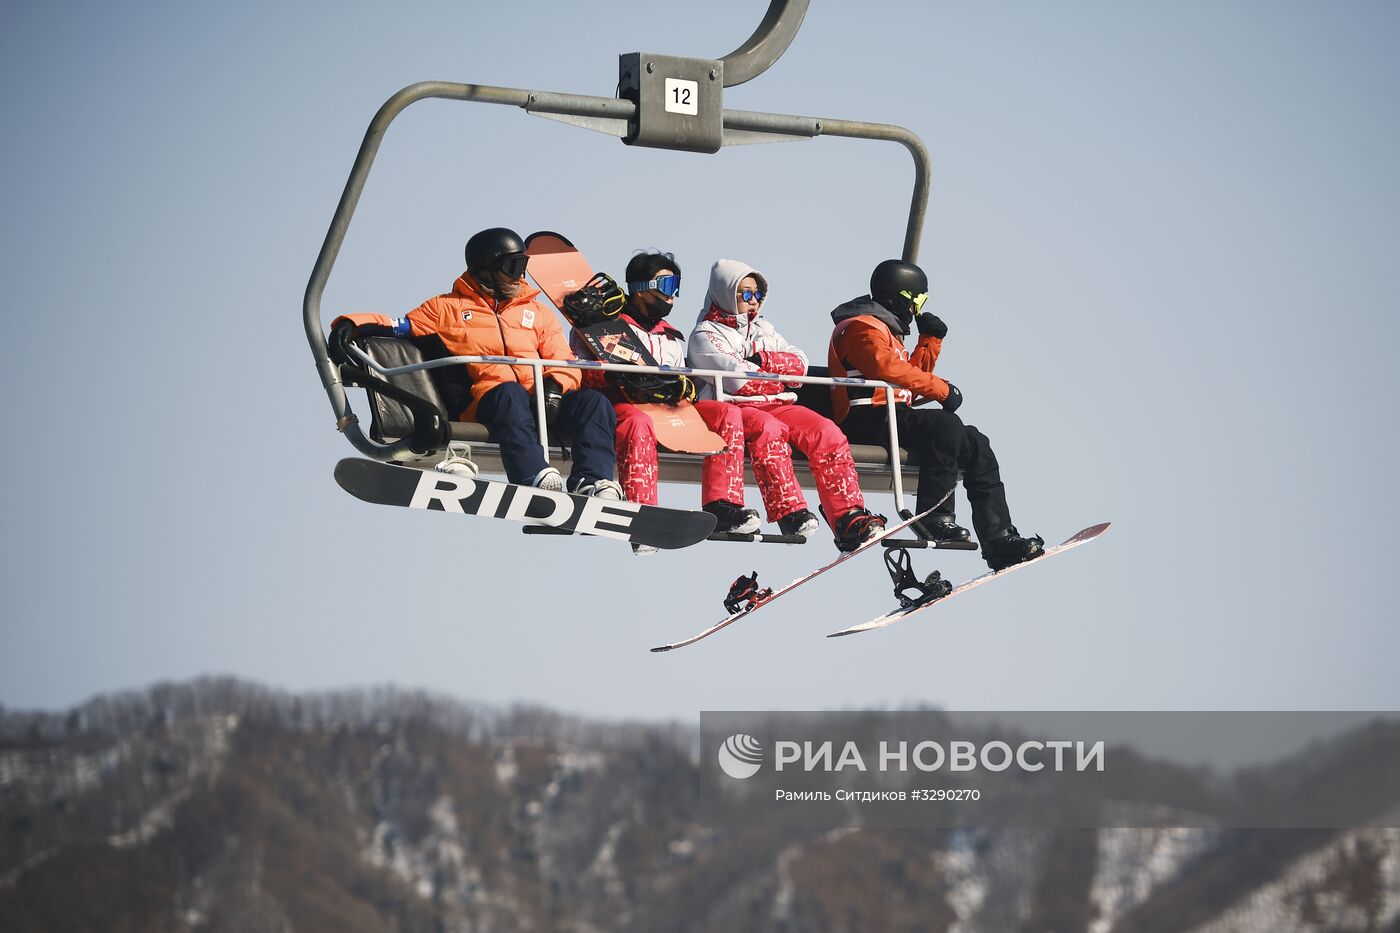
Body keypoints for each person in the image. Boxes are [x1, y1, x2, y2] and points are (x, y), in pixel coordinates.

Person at [331, 227, 621, 499]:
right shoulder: (446, 308)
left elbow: (563, 360)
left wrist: (555, 386)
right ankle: (531, 473)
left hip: (541, 402)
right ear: (487, 269)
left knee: (593, 403)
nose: (520, 276)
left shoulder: (538, 312)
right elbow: (396, 325)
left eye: (523, 266)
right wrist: (350, 325)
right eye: (513, 267)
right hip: (487, 402)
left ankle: (591, 480)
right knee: (509, 393)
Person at [827, 259, 1043, 571]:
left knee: (975, 442)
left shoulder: (888, 332)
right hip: (864, 418)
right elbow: (886, 368)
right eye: (917, 302)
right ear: (899, 297)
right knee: (945, 424)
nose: (915, 311)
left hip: (891, 415)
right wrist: (942, 390)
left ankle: (999, 538)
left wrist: (929, 342)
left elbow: (907, 381)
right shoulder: (859, 327)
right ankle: (934, 516)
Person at [687, 259, 888, 552]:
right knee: (769, 429)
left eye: (758, 294)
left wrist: (763, 361)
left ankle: (848, 516)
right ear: (725, 293)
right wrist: (777, 376)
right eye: (745, 293)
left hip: (777, 403)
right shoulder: (706, 334)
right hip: (734, 406)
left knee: (827, 432)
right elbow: (738, 381)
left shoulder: (765, 329)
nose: (753, 301)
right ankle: (788, 512)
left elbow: (800, 366)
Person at [570, 251, 763, 554]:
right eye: (666, 285)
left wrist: (683, 387)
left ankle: (723, 503)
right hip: (627, 406)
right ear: (640, 288)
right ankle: (643, 515)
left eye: (676, 286)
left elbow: (684, 382)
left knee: (727, 412)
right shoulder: (609, 327)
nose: (673, 295)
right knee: (638, 422)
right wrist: (612, 373)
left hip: (670, 410)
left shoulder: (670, 337)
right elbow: (581, 371)